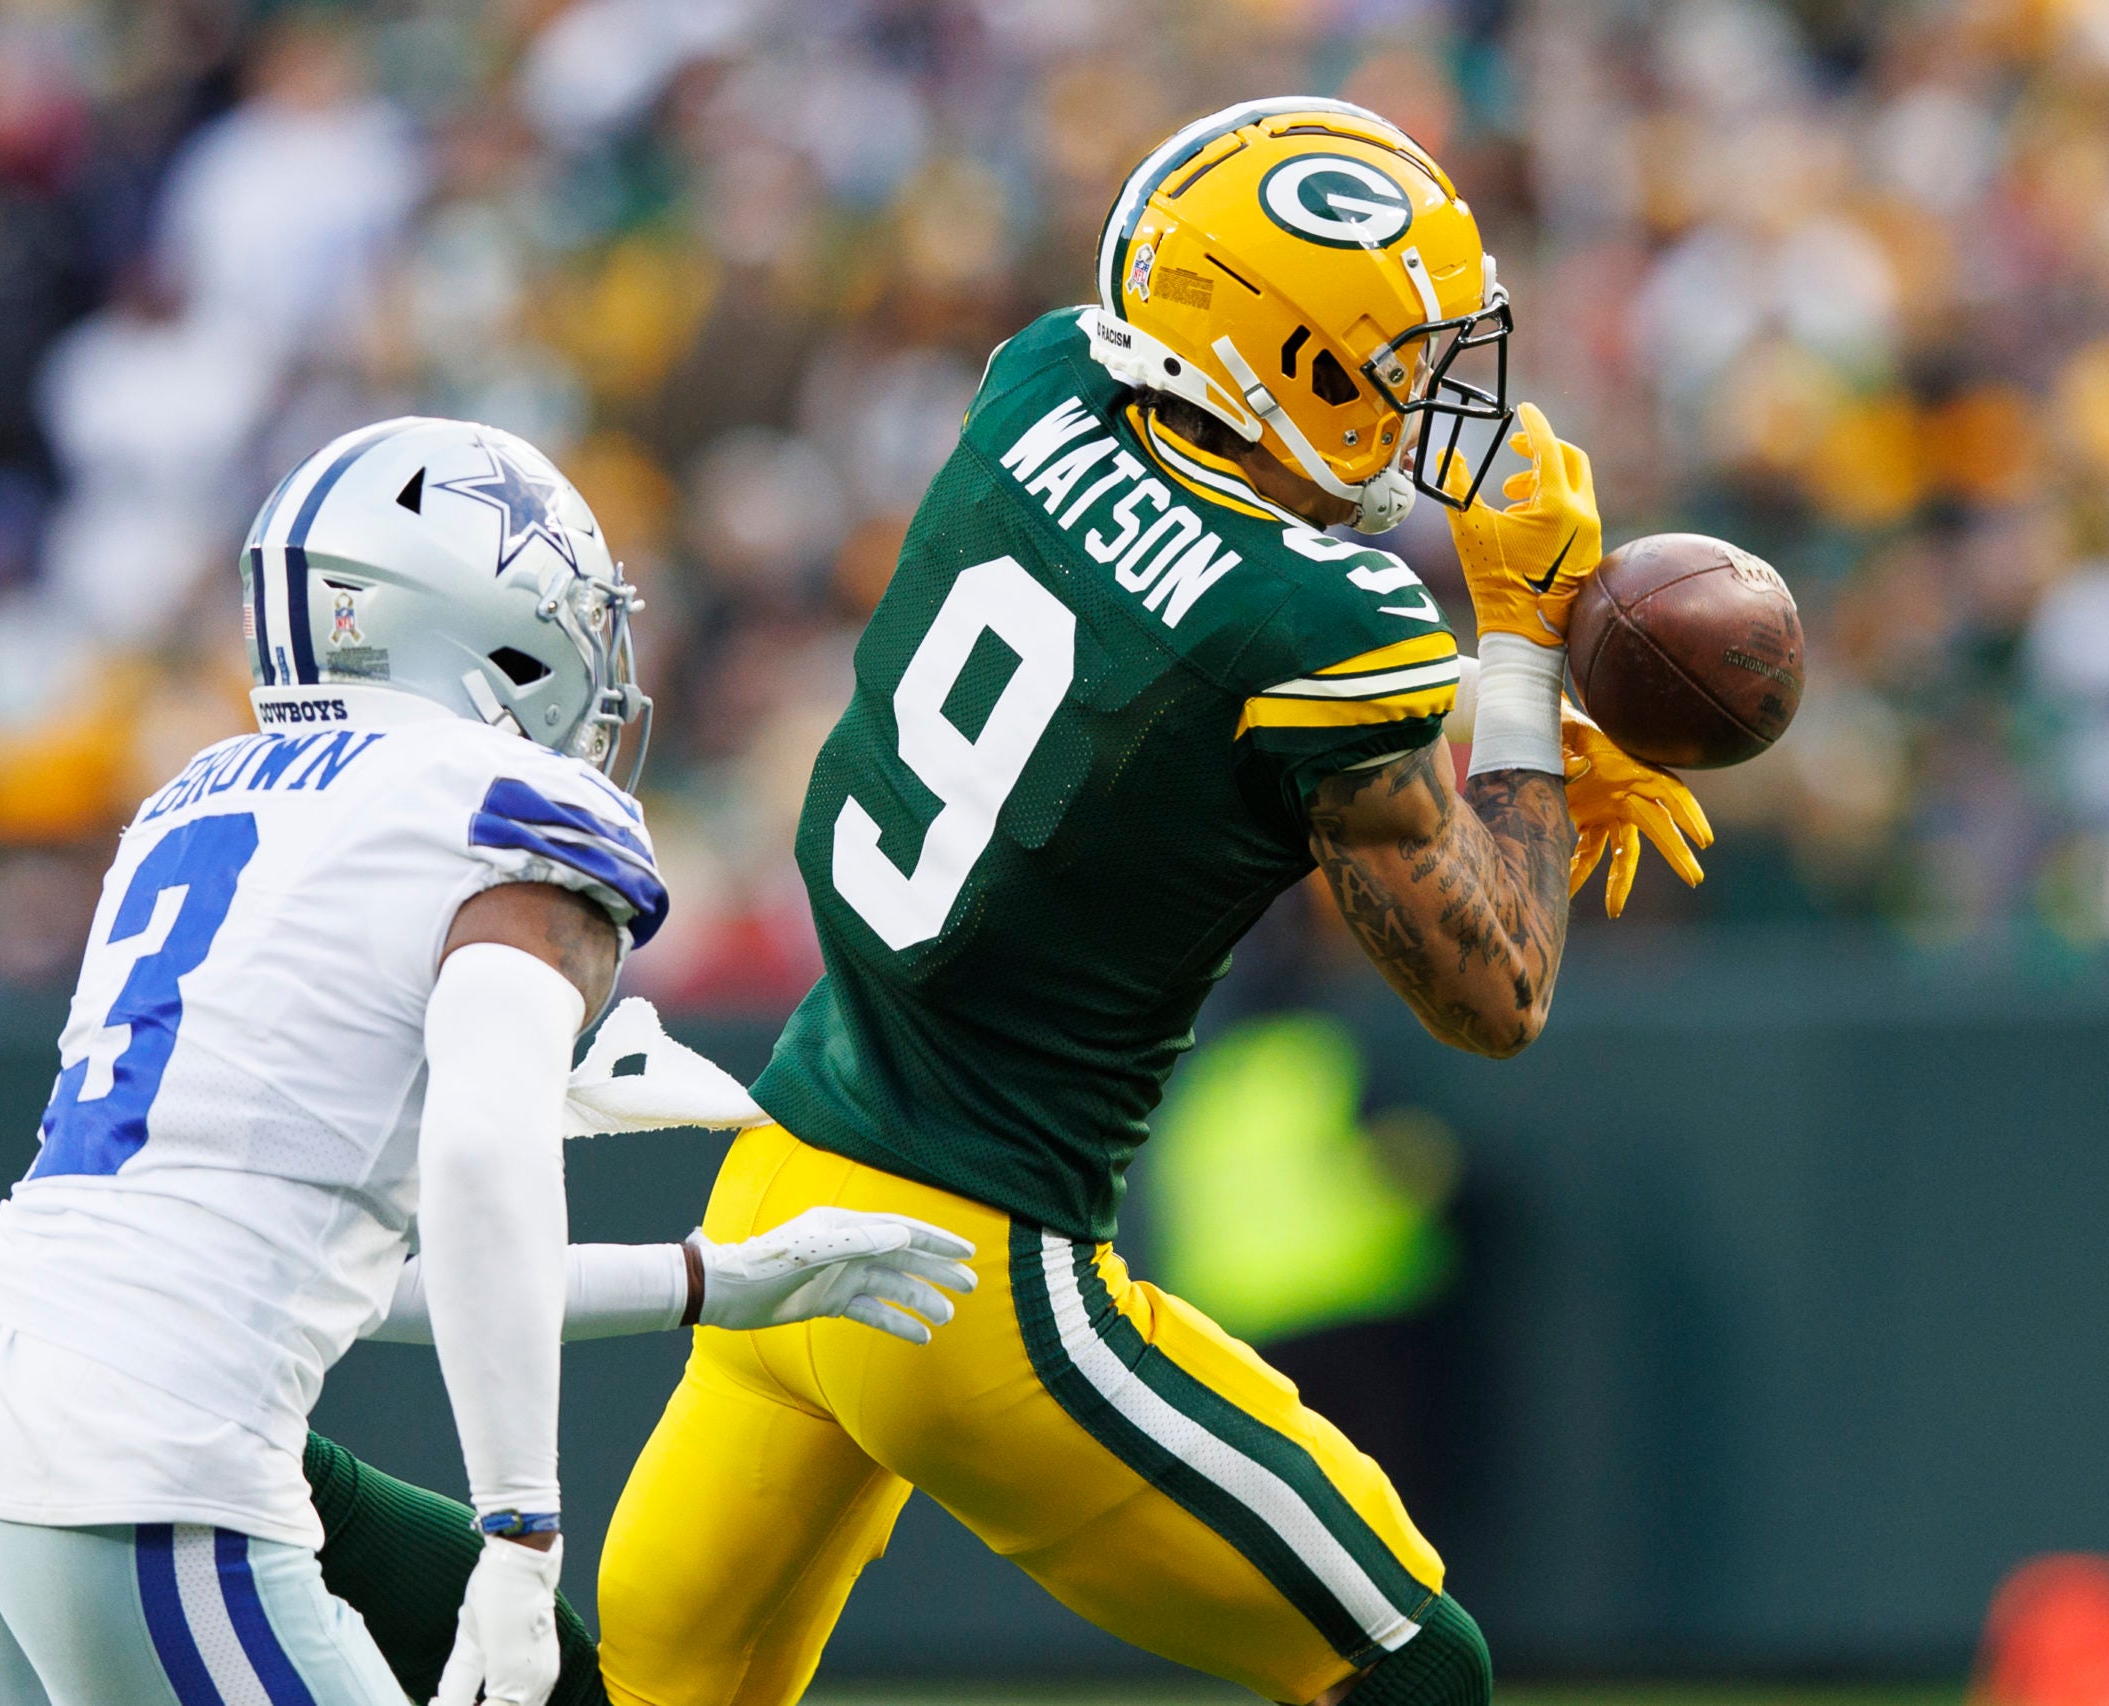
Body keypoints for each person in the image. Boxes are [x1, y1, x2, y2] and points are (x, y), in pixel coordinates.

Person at [594, 98, 1712, 1706]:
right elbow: (1500, 987)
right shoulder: (1332, 623)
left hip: (778, 1185)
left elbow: (1159, 652)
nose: (1426, 411)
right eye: (1393, 370)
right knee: (1412, 1667)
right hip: (972, 1278)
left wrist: (1458, 718)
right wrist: (1524, 659)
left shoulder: (1037, 380)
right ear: (1285, 369)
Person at [0, 416, 973, 1706]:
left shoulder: (202, 792)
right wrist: (520, 1526)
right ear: (472, 615)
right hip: (139, 1458)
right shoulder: (497, 804)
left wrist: (710, 1281)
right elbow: (479, 1164)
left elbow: (362, 1272)